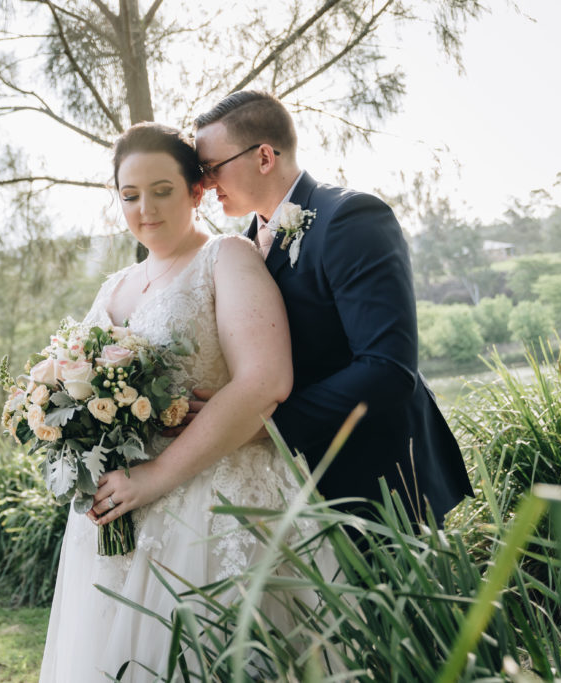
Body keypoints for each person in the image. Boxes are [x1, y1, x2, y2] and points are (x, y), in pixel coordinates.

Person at [39, 122, 306, 682]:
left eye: (162, 190)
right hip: (118, 521)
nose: (145, 209)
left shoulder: (227, 258)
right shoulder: (114, 287)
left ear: (196, 191)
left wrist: (155, 476)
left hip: (212, 510)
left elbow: (264, 382)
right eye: (130, 195)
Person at [190, 90, 474, 526]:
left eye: (212, 168)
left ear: (264, 156)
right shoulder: (240, 250)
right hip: (301, 486)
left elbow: (387, 368)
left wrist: (264, 423)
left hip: (381, 479)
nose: (206, 184)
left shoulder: (351, 217)